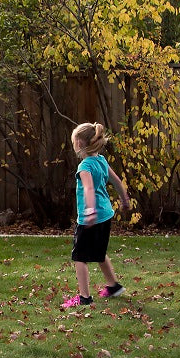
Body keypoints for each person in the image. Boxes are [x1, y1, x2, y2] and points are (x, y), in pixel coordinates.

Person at [62, 122, 130, 308]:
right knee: (99, 253)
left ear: (79, 143)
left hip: (90, 217)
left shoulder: (84, 167)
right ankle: (113, 286)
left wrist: (90, 212)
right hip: (106, 214)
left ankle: (84, 297)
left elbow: (89, 189)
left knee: (79, 257)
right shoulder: (101, 160)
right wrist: (124, 199)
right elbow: (116, 180)